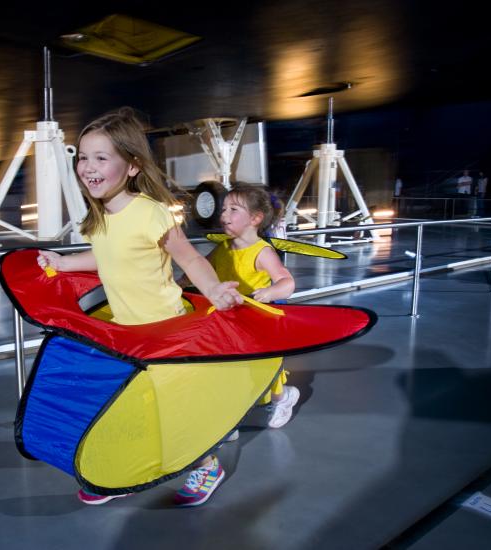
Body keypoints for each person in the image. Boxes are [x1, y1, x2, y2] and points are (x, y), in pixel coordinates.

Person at [37, 107, 243, 506]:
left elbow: (191, 259)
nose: (88, 167)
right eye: (83, 157)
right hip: (127, 332)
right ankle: (122, 471)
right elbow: (106, 256)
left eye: (101, 158)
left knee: (174, 410)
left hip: (165, 331)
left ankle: (206, 464)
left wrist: (215, 291)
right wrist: (64, 263)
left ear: (132, 166)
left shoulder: (150, 213)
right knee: (127, 405)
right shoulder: (99, 217)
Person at [206, 185, 299, 428]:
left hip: (257, 319)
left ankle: (283, 398)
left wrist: (269, 292)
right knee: (233, 366)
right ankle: (234, 414)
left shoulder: (262, 251)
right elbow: (202, 272)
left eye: (233, 209)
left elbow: (287, 282)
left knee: (263, 364)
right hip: (230, 318)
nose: (224, 214)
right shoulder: (222, 248)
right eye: (224, 208)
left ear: (255, 219)